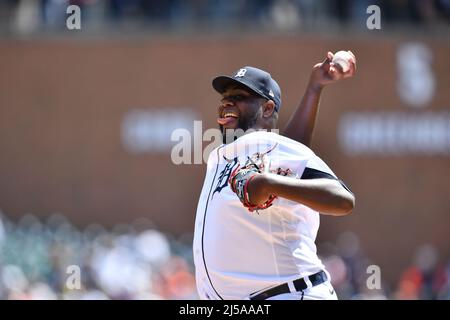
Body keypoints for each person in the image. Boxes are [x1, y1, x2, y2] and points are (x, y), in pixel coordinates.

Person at [193, 52, 357, 300]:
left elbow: (343, 199)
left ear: (267, 108)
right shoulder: (234, 151)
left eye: (238, 98)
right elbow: (288, 151)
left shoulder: (261, 144)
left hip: (290, 294)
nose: (227, 103)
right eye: (225, 98)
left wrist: (269, 183)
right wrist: (314, 88)